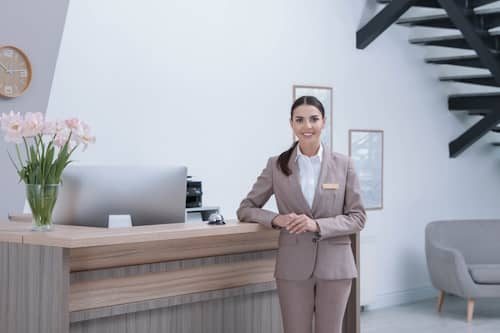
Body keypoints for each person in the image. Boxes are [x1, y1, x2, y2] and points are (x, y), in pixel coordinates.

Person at [236, 96, 366, 333]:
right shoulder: (276, 165)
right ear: (291, 124)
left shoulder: (343, 164)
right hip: (292, 266)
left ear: (324, 122)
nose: (307, 126)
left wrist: (316, 225)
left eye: (314, 119)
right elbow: (246, 208)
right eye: (300, 120)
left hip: (335, 266)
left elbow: (357, 217)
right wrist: (277, 219)